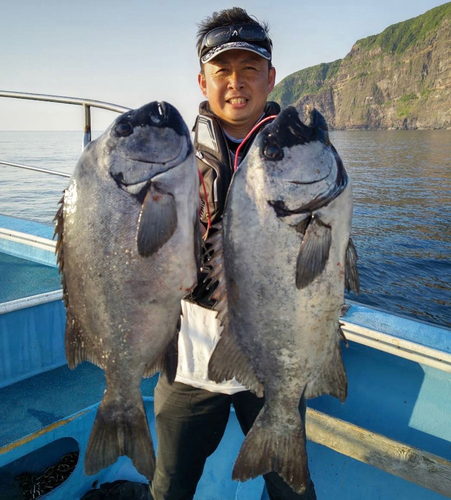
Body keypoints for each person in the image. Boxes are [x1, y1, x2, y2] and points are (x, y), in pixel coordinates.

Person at [150, 8, 317, 500]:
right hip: (189, 361)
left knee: (292, 487)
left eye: (249, 69)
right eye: (223, 71)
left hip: (274, 354)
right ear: (203, 80)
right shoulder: (169, 156)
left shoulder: (305, 157)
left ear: (270, 75)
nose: (236, 83)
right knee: (170, 486)